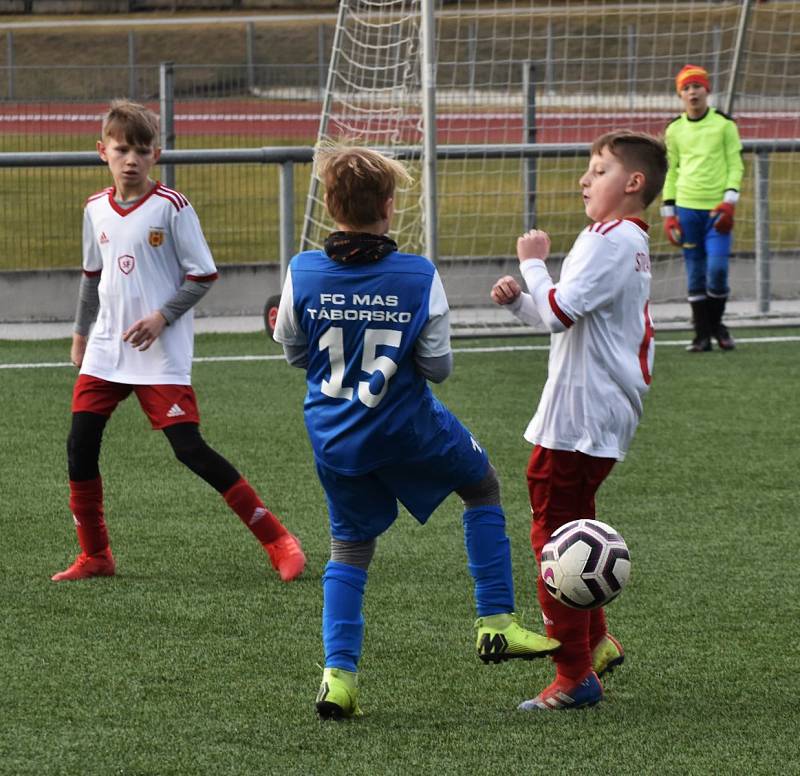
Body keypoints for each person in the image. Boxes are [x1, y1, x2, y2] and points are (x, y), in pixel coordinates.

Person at [273, 144, 560, 721]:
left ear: (330, 206)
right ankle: (496, 622)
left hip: (334, 437)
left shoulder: (301, 271)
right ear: (388, 206)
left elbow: (293, 351)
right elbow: (438, 368)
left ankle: (339, 678)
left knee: (349, 548)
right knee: (482, 486)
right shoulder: (417, 273)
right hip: (408, 427)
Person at [52, 99, 305, 583]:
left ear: (157, 155)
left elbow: (204, 275)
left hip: (158, 351)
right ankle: (96, 555)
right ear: (101, 151)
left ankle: (278, 540)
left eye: (141, 150)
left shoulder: (172, 207)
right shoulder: (94, 209)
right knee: (79, 446)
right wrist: (82, 334)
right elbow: (92, 276)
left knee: (189, 449)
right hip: (107, 349)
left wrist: (161, 318)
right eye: (121, 149)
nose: (131, 159)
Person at [491, 130, 667, 710]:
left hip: (581, 414)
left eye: (598, 170)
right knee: (574, 529)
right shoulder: (625, 240)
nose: (584, 181)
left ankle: (573, 678)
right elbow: (562, 315)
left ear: (632, 183)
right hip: (601, 411)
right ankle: (597, 642)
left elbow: (560, 313)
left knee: (553, 542)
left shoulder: (608, 238)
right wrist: (523, 298)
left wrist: (533, 263)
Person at [662, 64, 744, 352]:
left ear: (707, 90)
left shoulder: (724, 125)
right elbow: (671, 172)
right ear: (680, 95)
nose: (692, 92)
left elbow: (736, 165)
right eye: (686, 88)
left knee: (718, 270)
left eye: (696, 86)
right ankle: (702, 335)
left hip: (716, 211)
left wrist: (729, 202)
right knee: (695, 272)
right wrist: (669, 215)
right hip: (686, 209)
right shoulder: (674, 129)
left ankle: (715, 325)